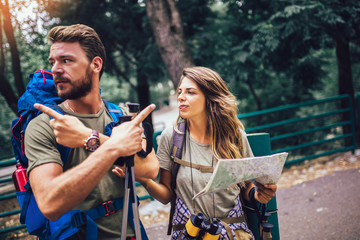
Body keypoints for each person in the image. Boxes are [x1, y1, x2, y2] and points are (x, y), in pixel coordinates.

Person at [25, 24, 159, 239]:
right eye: (53, 62)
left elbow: (150, 168)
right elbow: (49, 204)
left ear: (95, 64)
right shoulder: (43, 126)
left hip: (131, 231)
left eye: (66, 60)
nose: (55, 69)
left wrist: (93, 140)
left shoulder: (121, 115)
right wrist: (110, 146)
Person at [114, 66, 277, 239]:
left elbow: (246, 187)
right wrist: (143, 179)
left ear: (210, 97)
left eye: (190, 92)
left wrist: (259, 195)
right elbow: (166, 195)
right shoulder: (171, 137)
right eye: (179, 92)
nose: (181, 97)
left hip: (233, 234)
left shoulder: (234, 136)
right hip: (189, 234)